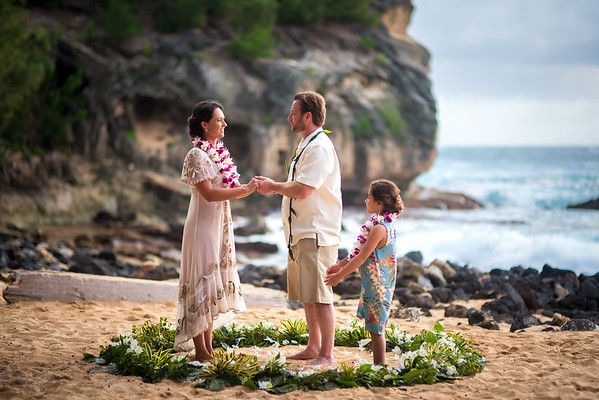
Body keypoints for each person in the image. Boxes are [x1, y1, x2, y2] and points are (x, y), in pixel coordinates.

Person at [256, 91, 342, 365]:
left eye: (293, 112)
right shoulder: (307, 143)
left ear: (308, 116)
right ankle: (313, 347)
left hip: (316, 233)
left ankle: (327, 354)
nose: (289, 116)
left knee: (321, 295)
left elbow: (304, 190)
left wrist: (273, 187)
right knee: (308, 294)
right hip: (301, 232)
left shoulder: (318, 147)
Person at [175, 100, 258, 361]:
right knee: (201, 282)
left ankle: (208, 348)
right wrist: (244, 190)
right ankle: (199, 350)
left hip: (219, 225)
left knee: (213, 285)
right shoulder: (196, 155)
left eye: (223, 120)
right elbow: (209, 194)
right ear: (204, 124)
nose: (224, 124)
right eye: (219, 120)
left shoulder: (216, 150)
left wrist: (242, 189)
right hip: (201, 227)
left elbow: (221, 190)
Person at [324, 179, 404, 365]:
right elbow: (360, 252)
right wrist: (340, 264)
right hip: (378, 282)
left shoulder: (379, 228)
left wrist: (339, 276)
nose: (365, 201)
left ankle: (380, 366)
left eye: (369, 197)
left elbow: (361, 258)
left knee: (376, 329)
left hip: (378, 285)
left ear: (379, 203)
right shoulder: (386, 224)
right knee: (374, 326)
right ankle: (379, 364)